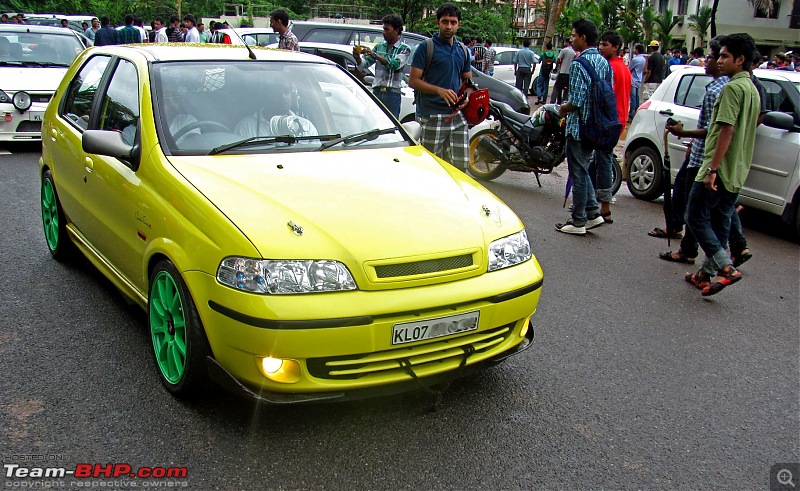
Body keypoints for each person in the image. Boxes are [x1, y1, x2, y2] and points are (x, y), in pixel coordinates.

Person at [684, 33, 760, 296]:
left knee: (693, 215)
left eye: (725, 56)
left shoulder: (732, 89)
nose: (719, 60)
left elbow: (726, 129)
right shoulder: (752, 89)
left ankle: (726, 267)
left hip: (720, 169)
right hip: (738, 169)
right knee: (720, 221)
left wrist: (712, 169)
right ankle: (705, 274)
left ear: (740, 60)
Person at [655, 36, 730, 262]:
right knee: (696, 206)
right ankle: (690, 249)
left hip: (705, 159)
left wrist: (684, 133)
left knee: (697, 212)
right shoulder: (723, 87)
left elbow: (714, 131)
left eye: (710, 57)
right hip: (701, 155)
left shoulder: (719, 91)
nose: (705, 62)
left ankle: (718, 262)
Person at [555, 19, 610, 235]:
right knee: (584, 169)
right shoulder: (604, 63)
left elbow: (575, 101)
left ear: (583, 38)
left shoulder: (579, 64)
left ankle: (578, 221)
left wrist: (562, 108)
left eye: (573, 35)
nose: (571, 39)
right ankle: (593, 213)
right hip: (596, 127)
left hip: (579, 128)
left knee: (578, 173)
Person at [408, 2, 475, 173]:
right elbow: (413, 81)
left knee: (461, 164)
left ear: (459, 24)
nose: (449, 26)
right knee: (430, 168)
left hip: (456, 116)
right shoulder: (426, 47)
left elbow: (468, 83)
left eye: (453, 22)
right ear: (438, 22)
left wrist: (466, 98)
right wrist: (438, 90)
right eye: (445, 22)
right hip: (432, 114)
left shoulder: (463, 51)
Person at [589, 30, 631, 225]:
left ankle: (604, 208)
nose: (601, 47)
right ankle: (588, 202)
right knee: (594, 162)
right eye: (601, 44)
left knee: (603, 162)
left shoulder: (610, 68)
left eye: (605, 44)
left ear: (615, 47)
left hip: (608, 122)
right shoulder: (623, 67)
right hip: (617, 120)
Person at [353, 14, 411, 120]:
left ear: (397, 30)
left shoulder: (404, 49)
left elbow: (395, 65)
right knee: (371, 122)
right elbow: (365, 65)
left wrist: (374, 55)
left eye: (387, 29)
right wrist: (357, 58)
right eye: (383, 29)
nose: (383, 32)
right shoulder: (379, 46)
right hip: (377, 91)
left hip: (392, 93)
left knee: (391, 125)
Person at [235, 80, 316, 138]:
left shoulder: (306, 126)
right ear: (267, 95)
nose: (283, 97)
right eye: (276, 92)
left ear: (292, 95)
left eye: (286, 91)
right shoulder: (246, 127)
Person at [550, 38, 575, 104]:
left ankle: (552, 102)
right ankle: (563, 103)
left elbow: (558, 59)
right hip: (569, 74)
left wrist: (555, 68)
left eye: (564, 42)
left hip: (562, 72)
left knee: (556, 88)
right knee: (566, 91)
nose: (564, 44)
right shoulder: (574, 52)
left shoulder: (563, 50)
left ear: (567, 43)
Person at [628, 43, 646, 122]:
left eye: (635, 49)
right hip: (639, 78)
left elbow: (629, 68)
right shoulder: (643, 59)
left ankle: (631, 113)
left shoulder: (635, 59)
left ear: (637, 50)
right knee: (637, 97)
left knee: (633, 97)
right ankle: (636, 111)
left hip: (633, 79)